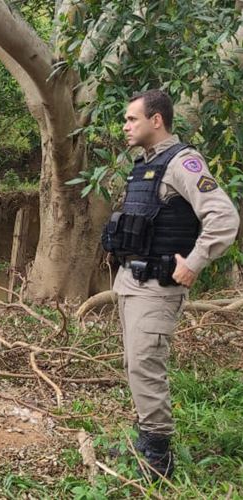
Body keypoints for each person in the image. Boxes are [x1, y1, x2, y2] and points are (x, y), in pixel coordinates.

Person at [102, 89, 239, 480]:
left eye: (132, 119)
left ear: (156, 120)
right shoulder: (143, 165)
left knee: (147, 365)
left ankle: (158, 459)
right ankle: (145, 438)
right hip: (132, 282)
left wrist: (194, 262)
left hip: (159, 286)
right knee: (134, 363)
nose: (126, 126)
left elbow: (224, 218)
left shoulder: (184, 163)